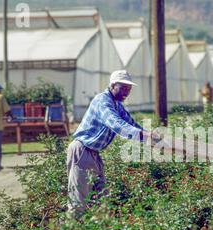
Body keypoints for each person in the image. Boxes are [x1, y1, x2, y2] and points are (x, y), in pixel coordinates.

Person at [67, 70, 161, 220]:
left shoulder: (117, 105)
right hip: (82, 151)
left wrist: (151, 136)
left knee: (100, 200)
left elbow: (131, 124)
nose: (126, 92)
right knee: (79, 201)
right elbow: (116, 125)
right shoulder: (102, 101)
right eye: (123, 87)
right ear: (112, 85)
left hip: (94, 153)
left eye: (129, 88)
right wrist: (146, 136)